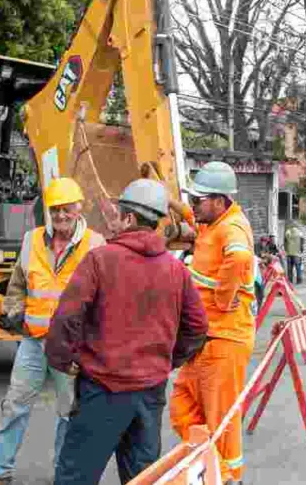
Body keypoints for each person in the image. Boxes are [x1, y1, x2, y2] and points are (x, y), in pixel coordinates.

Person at [45, 179, 209, 485]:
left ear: (130, 219)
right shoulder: (175, 269)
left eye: (119, 215)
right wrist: (167, 361)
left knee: (75, 476)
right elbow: (198, 327)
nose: (115, 221)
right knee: (143, 477)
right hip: (149, 394)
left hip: (102, 390)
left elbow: (67, 317)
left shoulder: (100, 260)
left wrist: (61, 360)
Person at [0, 177, 105, 485]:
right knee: (14, 404)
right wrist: (13, 313)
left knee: (69, 413)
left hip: (71, 348)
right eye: (55, 210)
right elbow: (18, 284)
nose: (60, 216)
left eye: (66, 209)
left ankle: (64, 475)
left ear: (78, 208)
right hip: (34, 343)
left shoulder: (95, 245)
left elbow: (105, 297)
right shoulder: (31, 240)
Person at [170, 161, 256, 485]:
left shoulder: (232, 228)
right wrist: (170, 201)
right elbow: (191, 217)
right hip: (205, 338)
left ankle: (228, 476)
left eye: (199, 199)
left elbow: (240, 257)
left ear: (219, 200)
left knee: (221, 420)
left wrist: (222, 296)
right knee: (182, 405)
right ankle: (212, 467)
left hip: (225, 339)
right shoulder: (210, 221)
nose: (194, 205)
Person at [284, 220, 305, 285]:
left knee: (289, 268)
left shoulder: (288, 232)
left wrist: (286, 250)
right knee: (298, 267)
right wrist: (301, 250)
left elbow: (285, 242)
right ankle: (299, 280)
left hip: (289, 253)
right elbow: (302, 242)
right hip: (297, 253)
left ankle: (290, 281)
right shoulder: (299, 232)